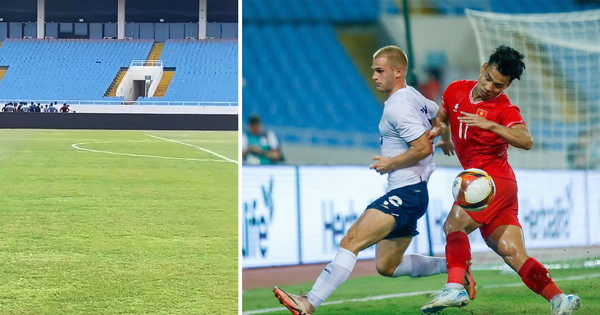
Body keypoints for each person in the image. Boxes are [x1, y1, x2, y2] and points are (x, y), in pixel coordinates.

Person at [272, 45, 474, 315]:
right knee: (387, 266)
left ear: (398, 71)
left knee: (351, 241)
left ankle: (308, 304)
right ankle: (456, 267)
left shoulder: (398, 107)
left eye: (380, 71)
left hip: (405, 193)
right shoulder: (413, 96)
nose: (375, 76)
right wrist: (443, 137)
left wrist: (392, 162)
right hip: (414, 194)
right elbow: (439, 116)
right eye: (373, 71)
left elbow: (422, 148)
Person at [420, 45, 581, 315]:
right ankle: (559, 299)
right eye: (489, 79)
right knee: (511, 252)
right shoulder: (455, 90)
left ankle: (454, 287)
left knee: (453, 225)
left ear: (506, 87)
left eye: (499, 86)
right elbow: (443, 116)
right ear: (483, 68)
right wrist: (442, 133)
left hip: (491, 181)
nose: (490, 88)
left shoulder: (504, 108)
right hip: (497, 186)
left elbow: (526, 140)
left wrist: (492, 125)